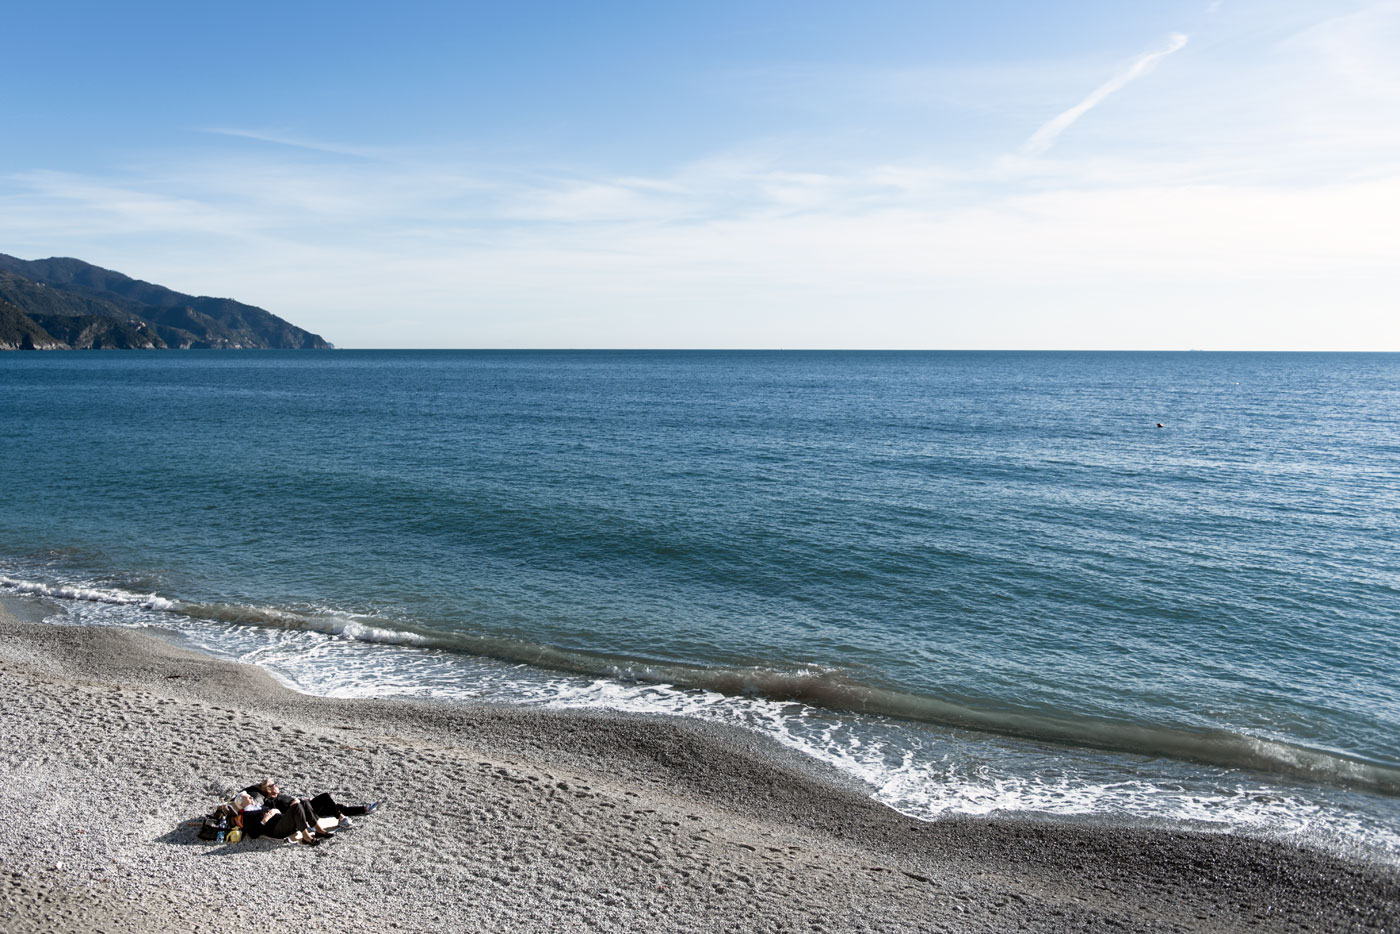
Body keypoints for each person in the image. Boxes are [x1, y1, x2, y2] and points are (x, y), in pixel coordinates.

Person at [244, 778, 381, 828]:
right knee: (325, 798)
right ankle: (341, 819)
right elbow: (282, 813)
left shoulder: (280, 795)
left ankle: (364, 809)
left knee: (334, 807)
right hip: (300, 812)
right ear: (269, 789)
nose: (277, 786)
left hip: (305, 806)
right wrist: (295, 804)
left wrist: (303, 800)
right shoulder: (271, 801)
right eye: (274, 784)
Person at [230, 791, 323, 846]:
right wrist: (264, 820)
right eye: (249, 798)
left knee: (303, 803)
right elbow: (253, 834)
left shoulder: (259, 807)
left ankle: (318, 830)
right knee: (297, 807)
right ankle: (306, 837)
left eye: (251, 797)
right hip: (275, 829)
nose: (251, 798)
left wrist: (275, 811)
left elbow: (274, 810)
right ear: (242, 804)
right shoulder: (247, 815)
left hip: (281, 820)